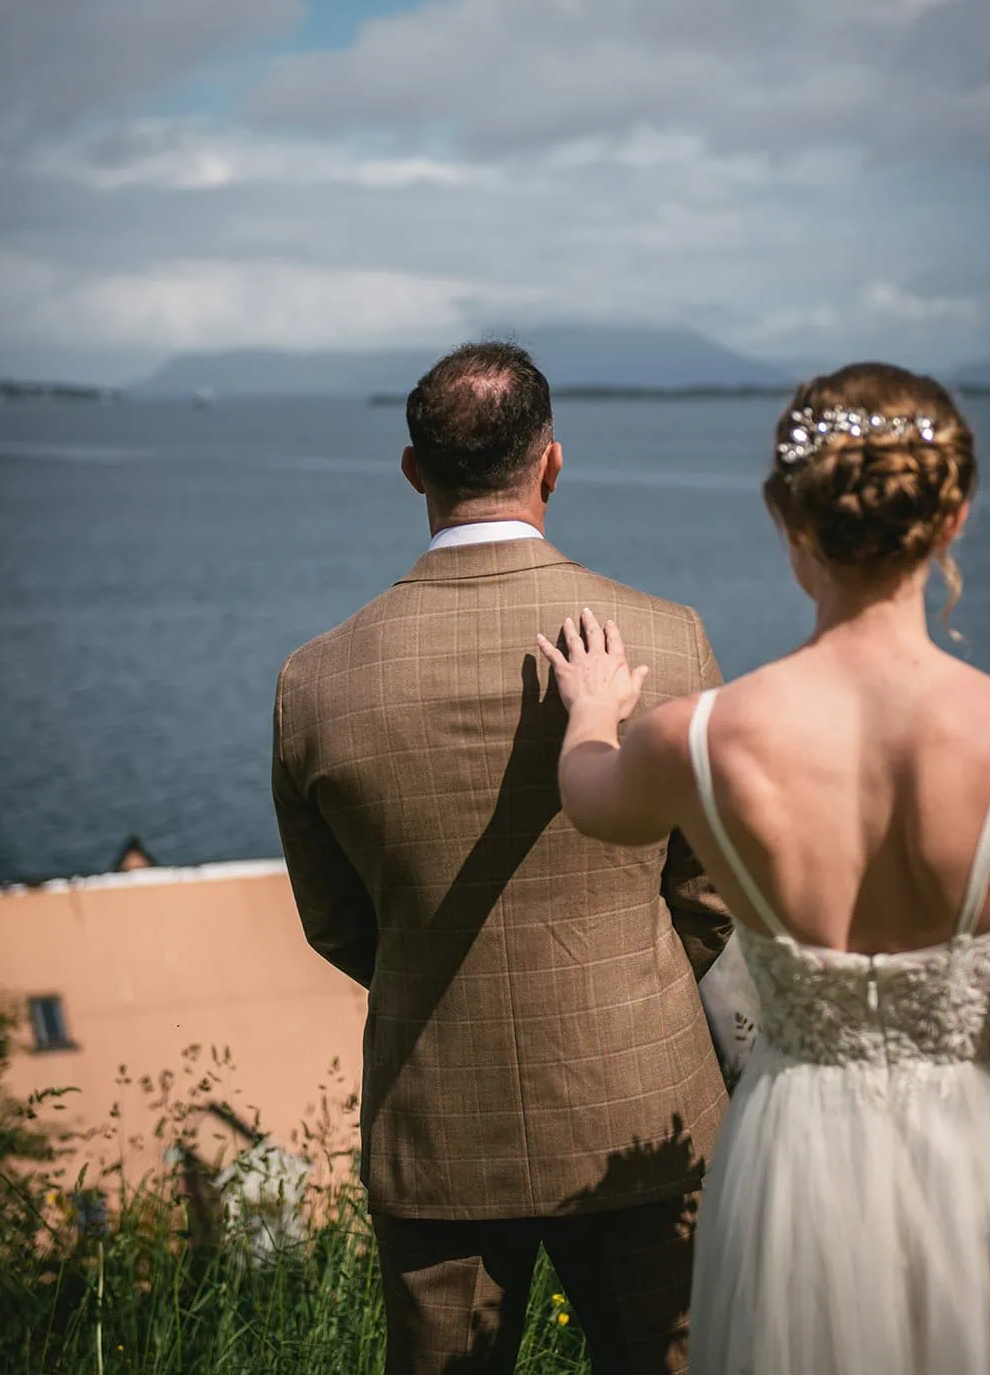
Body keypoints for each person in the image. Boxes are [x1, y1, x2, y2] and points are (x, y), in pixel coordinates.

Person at [538, 361, 990, 1375]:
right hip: (980, 1144)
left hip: (799, 1155)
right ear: (956, 517)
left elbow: (588, 797)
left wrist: (589, 710)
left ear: (784, 515)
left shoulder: (699, 740)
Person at [272, 341, 732, 1374]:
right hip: (638, 1108)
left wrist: (442, 978)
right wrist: (633, 986)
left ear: (412, 470)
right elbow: (709, 893)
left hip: (437, 1129)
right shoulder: (668, 635)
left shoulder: (315, 679)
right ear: (553, 464)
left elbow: (337, 920)